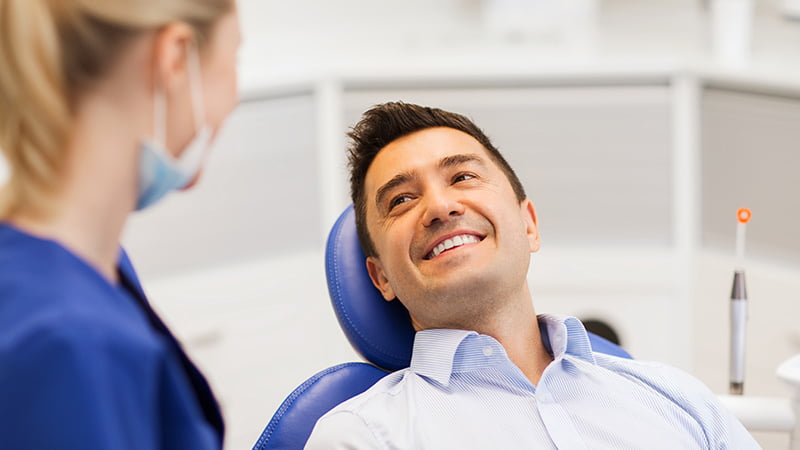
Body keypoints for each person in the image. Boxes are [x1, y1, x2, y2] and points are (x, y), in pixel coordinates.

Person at [305, 102, 759, 448]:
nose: (441, 207)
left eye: (462, 176)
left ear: (528, 224)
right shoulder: (361, 436)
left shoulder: (673, 395)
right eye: (401, 200)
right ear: (380, 277)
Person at [0, 0, 240, 448]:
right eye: (234, 56)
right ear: (175, 58)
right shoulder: (68, 342)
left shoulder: (87, 276)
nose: (235, 93)